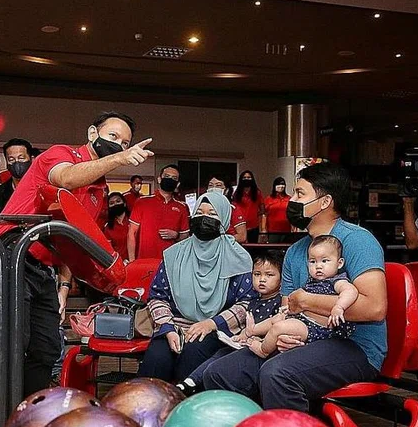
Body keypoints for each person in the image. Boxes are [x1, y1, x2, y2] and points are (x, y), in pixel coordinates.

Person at [202, 163, 388, 412]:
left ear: (325, 202)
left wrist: (306, 301)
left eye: (300, 193)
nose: (292, 200)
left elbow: (375, 308)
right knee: (219, 373)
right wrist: (285, 335)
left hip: (355, 346)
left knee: (277, 373)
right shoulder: (294, 252)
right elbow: (287, 308)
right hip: (306, 337)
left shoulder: (358, 240)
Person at [0, 111, 154, 397]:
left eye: (124, 143)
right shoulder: (60, 154)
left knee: (47, 347)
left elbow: (73, 241)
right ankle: (0, 411)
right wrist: (120, 158)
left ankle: (30, 409)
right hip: (12, 253)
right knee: (15, 343)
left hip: (43, 268)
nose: (119, 145)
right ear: (93, 134)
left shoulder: (100, 189)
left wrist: (64, 287)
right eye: (113, 136)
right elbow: (66, 179)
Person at [136, 192, 256, 382]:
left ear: (224, 220)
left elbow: (247, 303)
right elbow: (158, 296)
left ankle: (185, 400)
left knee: (192, 356)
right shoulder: (174, 254)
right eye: (199, 212)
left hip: (216, 328)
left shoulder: (238, 258)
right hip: (175, 324)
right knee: (157, 359)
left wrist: (211, 324)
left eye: (212, 214)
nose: (204, 218)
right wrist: (167, 327)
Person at [178, 250, 285, 395]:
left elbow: (275, 327)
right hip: (246, 345)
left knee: (222, 363)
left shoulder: (280, 301)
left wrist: (253, 337)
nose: (262, 279)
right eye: (257, 274)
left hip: (263, 349)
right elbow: (247, 328)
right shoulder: (253, 302)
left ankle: (193, 383)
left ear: (282, 278)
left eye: (269, 275)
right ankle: (190, 381)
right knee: (221, 352)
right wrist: (240, 337)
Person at [246, 235, 357, 358]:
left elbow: (351, 291)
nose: (318, 266)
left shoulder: (337, 281)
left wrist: (339, 307)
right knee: (278, 317)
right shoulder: (312, 281)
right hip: (304, 319)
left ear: (339, 263)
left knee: (279, 327)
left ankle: (263, 350)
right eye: (313, 261)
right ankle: (253, 330)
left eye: (325, 261)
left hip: (318, 328)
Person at [127, 165, 190, 261]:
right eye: (167, 176)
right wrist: (132, 261)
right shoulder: (142, 202)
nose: (170, 180)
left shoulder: (182, 207)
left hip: (170, 262)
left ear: (177, 184)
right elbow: (131, 233)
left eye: (174, 178)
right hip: (144, 261)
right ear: (159, 179)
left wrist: (176, 235)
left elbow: (185, 237)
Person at [0, 138, 32, 214]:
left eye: (21, 158)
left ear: (30, 159)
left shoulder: (41, 189)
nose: (17, 162)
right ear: (6, 163)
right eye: (11, 159)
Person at [207, 176, 247, 242]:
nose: (213, 188)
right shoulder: (202, 207)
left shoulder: (232, 208)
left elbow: (242, 236)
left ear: (226, 190)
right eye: (210, 185)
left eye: (218, 185)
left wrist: (220, 241)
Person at [233, 170, 264, 243]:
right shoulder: (237, 193)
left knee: (252, 247)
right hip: (240, 226)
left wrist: (254, 215)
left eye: (249, 177)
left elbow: (262, 209)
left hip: (253, 226)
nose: (246, 179)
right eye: (244, 177)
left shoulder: (257, 193)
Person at [260, 176, 293, 240]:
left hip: (286, 230)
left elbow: (292, 215)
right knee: (273, 246)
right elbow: (264, 215)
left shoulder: (289, 199)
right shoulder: (268, 199)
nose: (281, 186)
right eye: (279, 184)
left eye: (283, 184)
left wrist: (294, 228)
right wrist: (263, 229)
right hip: (272, 230)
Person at [103, 192, 131, 256]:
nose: (115, 204)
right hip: (119, 261)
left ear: (124, 204)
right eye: (111, 203)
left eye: (118, 201)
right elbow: (109, 250)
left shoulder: (134, 222)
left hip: (138, 260)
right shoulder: (108, 227)